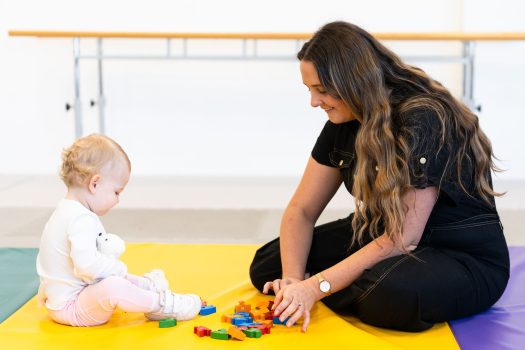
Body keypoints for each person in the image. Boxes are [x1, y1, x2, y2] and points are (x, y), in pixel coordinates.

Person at [249, 21, 510, 332]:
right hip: (382, 234)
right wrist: (293, 278)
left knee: (386, 295)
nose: (314, 102)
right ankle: (346, 282)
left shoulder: (424, 118)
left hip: (457, 254)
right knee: (268, 265)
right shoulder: (342, 120)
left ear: (353, 82)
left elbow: (403, 238)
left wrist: (315, 287)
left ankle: (346, 284)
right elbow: (301, 212)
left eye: (322, 90)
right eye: (309, 90)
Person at [36, 134, 201, 326]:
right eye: (116, 192)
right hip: (73, 309)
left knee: (110, 276)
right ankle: (160, 305)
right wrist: (119, 268)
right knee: (113, 285)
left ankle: (144, 286)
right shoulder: (81, 219)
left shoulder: (64, 210)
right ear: (94, 184)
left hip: (61, 303)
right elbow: (86, 266)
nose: (117, 200)